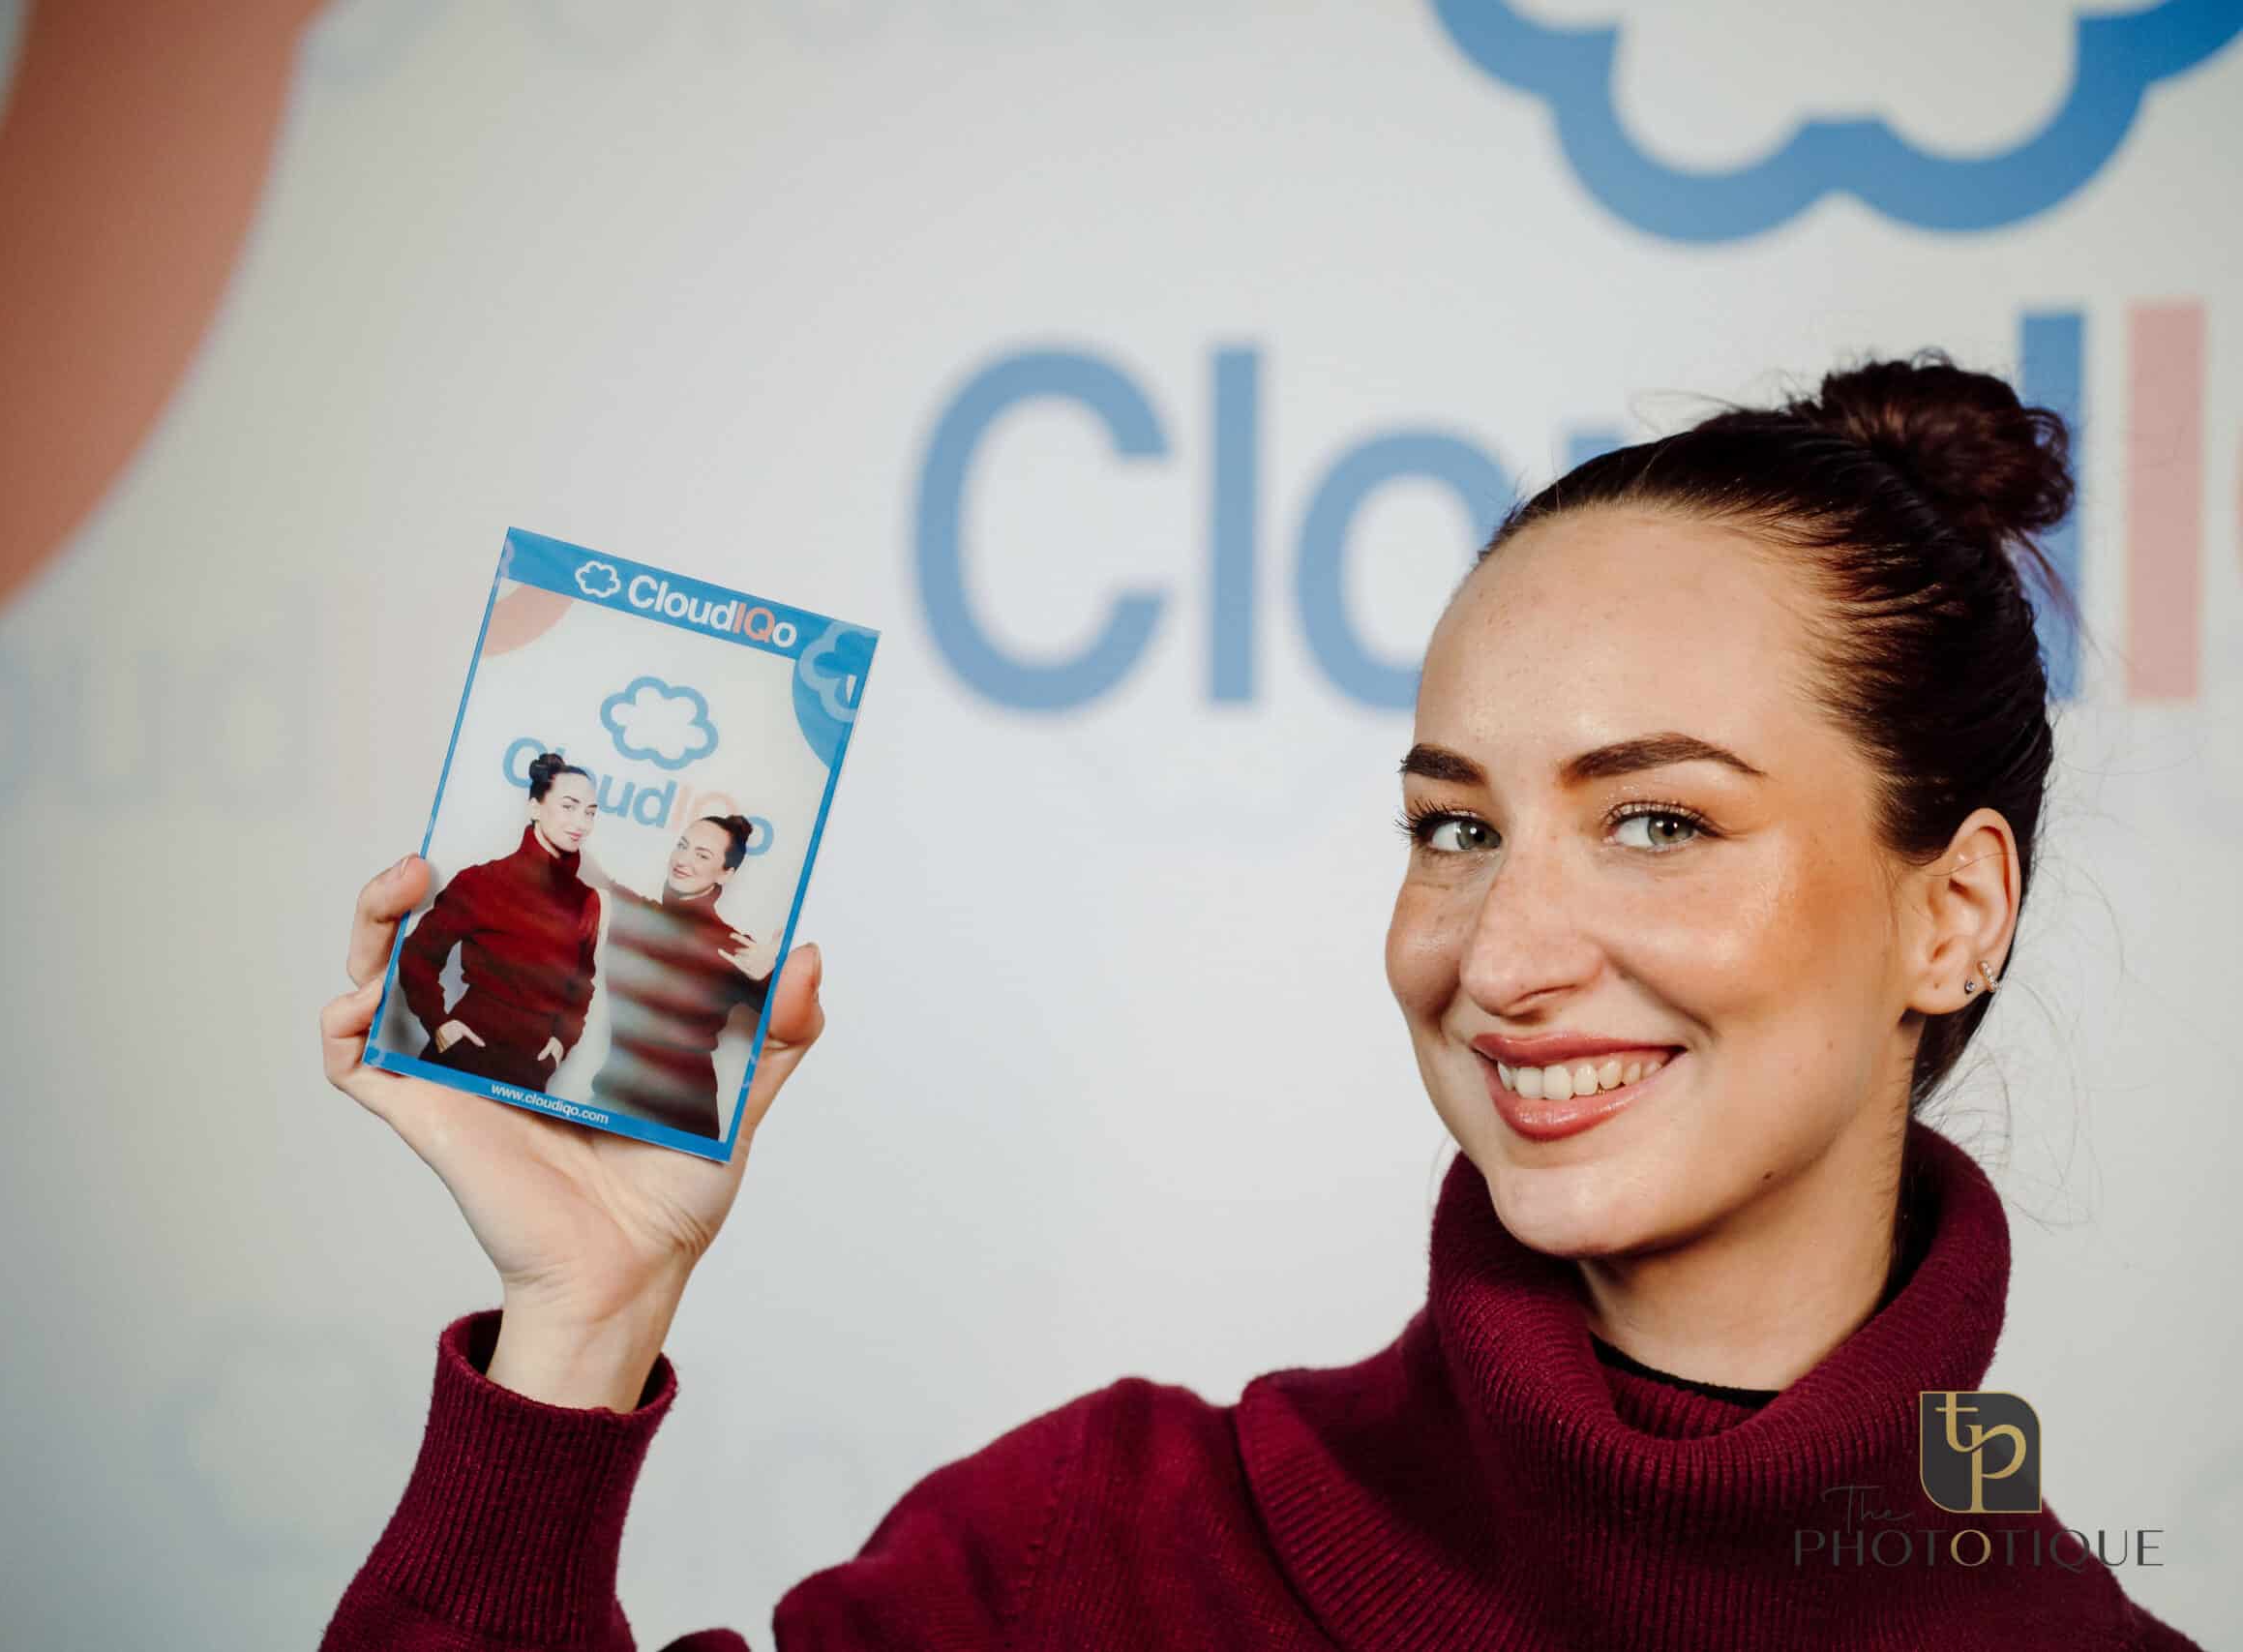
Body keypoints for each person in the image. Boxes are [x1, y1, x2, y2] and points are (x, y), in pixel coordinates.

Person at [313, 355, 2203, 1649]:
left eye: (1651, 816)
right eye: (1450, 826)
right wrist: (583, 1322)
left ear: (1949, 915)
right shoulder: (1096, 1553)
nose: (1499, 951)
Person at [394, 750, 603, 1093]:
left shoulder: (586, 901)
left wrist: (561, 1043)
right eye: (569, 806)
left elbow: (581, 987)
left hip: (529, 1075)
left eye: (590, 812)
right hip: (461, 1062)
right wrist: (440, 1023)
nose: (581, 823)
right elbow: (416, 955)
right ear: (534, 807)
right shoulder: (481, 882)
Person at [578, 813, 774, 1140]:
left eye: (703, 855)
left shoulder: (733, 948)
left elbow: (793, 1025)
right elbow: (583, 869)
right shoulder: (634, 913)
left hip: (682, 1127)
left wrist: (773, 976)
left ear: (726, 873)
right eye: (682, 846)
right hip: (612, 1110)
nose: (684, 860)